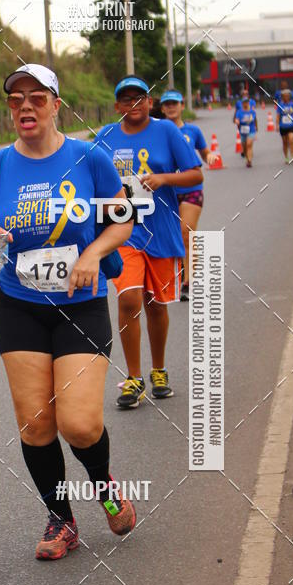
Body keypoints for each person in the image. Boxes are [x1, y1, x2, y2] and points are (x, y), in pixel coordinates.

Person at [0, 63, 135, 560]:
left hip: (81, 304)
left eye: (37, 98)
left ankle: (102, 484)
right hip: (19, 306)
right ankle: (62, 520)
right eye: (16, 100)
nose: (26, 107)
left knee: (78, 425)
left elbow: (122, 220)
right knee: (36, 425)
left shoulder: (89, 158)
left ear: (57, 104)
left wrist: (93, 254)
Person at [94, 75, 202, 409]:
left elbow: (195, 173)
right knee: (129, 299)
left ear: (149, 102)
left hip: (161, 229)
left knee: (155, 303)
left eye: (140, 98)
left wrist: (164, 178)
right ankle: (134, 378)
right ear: (117, 106)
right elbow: (90, 178)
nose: (134, 104)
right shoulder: (105, 136)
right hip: (124, 230)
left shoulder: (167, 131)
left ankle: (158, 370)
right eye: (126, 99)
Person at [160, 89, 215, 301]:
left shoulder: (193, 130)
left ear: (182, 105)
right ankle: (180, 273)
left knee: (186, 233)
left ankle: (188, 281)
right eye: (167, 104)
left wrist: (210, 156)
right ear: (162, 108)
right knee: (172, 236)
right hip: (166, 194)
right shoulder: (157, 132)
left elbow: (203, 152)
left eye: (175, 103)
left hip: (191, 192)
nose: (171, 107)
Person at [234, 96, 257, 167]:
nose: (245, 104)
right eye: (244, 102)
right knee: (244, 148)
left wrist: (256, 128)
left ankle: (249, 160)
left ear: (248, 103)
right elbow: (236, 119)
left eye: (247, 102)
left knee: (249, 144)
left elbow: (252, 119)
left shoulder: (252, 112)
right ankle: (247, 159)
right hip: (243, 131)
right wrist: (237, 121)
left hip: (251, 130)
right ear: (242, 103)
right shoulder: (239, 112)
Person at [275, 87, 293, 163]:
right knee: (285, 142)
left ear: (289, 96)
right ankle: (286, 157)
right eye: (284, 96)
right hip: (283, 126)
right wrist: (277, 125)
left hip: (291, 126)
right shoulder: (280, 105)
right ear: (282, 97)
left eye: (287, 96)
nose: (286, 97)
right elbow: (278, 116)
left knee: (291, 140)